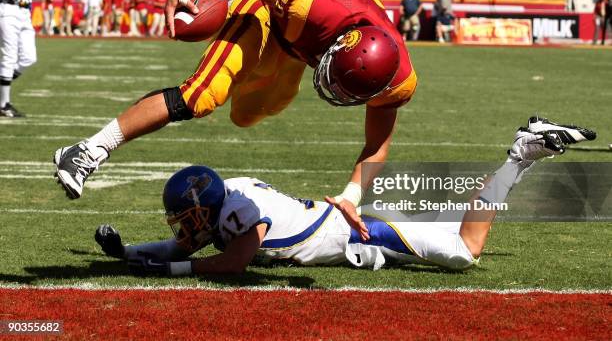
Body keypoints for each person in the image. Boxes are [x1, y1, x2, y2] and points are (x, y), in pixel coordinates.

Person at [53, 0, 419, 238]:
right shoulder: (309, 6)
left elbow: (376, 145)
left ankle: (242, 70)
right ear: (338, 47)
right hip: (271, 15)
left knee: (248, 114)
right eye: (337, 80)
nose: (334, 92)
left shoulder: (397, 80)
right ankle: (88, 149)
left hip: (297, 50)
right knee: (202, 96)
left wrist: (350, 196)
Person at [94, 117, 596, 276]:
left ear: (206, 207)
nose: (184, 226)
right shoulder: (229, 197)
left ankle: (521, 153)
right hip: (342, 225)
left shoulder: (239, 211)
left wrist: (163, 269)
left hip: (361, 234)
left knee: (465, 251)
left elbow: (231, 265)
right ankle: (523, 153)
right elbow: (181, 249)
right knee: (454, 235)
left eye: (186, 216)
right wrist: (131, 252)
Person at [0, 0, 38, 118]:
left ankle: (2, 84)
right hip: (9, 10)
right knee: (9, 57)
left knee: (29, 57)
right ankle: (4, 104)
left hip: (25, 12)